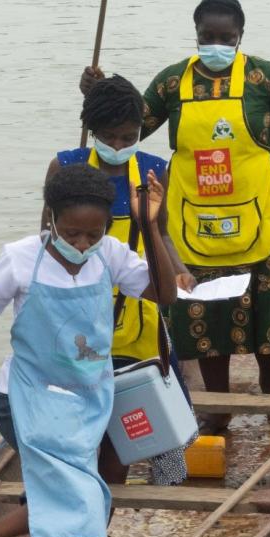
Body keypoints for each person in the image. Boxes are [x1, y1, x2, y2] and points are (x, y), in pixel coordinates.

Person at [80, 0, 270, 431]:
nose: (217, 46)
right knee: (204, 317)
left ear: (240, 37)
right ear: (196, 35)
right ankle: (218, 402)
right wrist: (95, 96)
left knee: (267, 305)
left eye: (226, 39)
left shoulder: (264, 79)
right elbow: (127, 124)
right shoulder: (174, 82)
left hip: (258, 218)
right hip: (194, 224)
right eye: (208, 38)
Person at [0, 164, 176, 537]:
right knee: (73, 498)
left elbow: (164, 294)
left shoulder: (109, 255)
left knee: (77, 496)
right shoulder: (21, 257)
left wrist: (150, 225)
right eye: (72, 233)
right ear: (51, 217)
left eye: (94, 233)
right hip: (28, 399)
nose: (82, 242)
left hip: (88, 398)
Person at [42, 74, 194, 490]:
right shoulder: (66, 167)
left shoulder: (152, 171)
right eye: (109, 137)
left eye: (129, 137)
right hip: (77, 321)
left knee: (136, 429)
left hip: (138, 317)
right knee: (78, 432)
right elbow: (45, 242)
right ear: (92, 132)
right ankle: (79, 501)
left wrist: (179, 269)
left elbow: (160, 233)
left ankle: (116, 507)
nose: (119, 146)